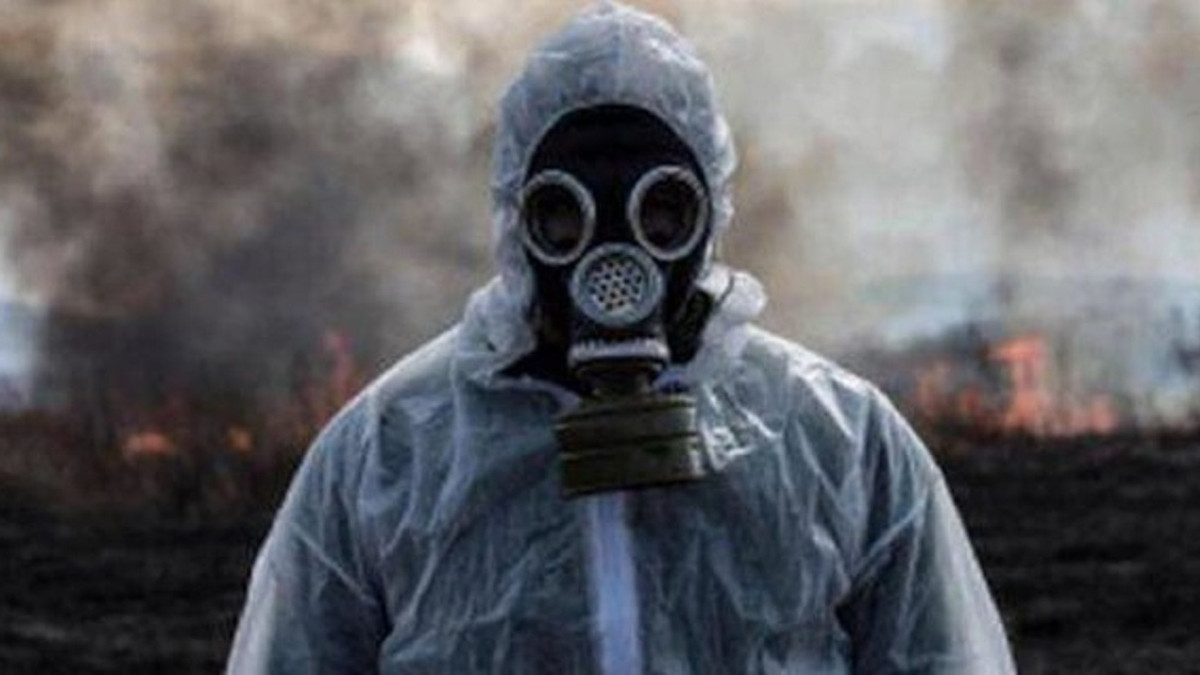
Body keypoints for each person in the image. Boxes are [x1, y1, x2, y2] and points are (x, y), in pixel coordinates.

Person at [225, 3, 1016, 673]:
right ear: (517, 219)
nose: (614, 249)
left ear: (710, 213)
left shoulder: (839, 440)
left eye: (660, 209)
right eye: (564, 213)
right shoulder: (389, 451)